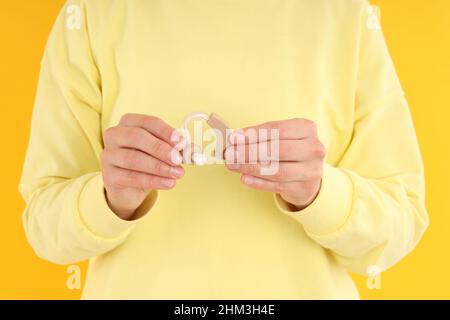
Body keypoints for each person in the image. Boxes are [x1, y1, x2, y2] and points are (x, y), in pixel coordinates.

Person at [19, 0, 429, 299]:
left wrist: (323, 193)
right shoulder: (92, 13)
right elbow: (44, 230)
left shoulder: (346, 15)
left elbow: (400, 225)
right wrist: (107, 200)